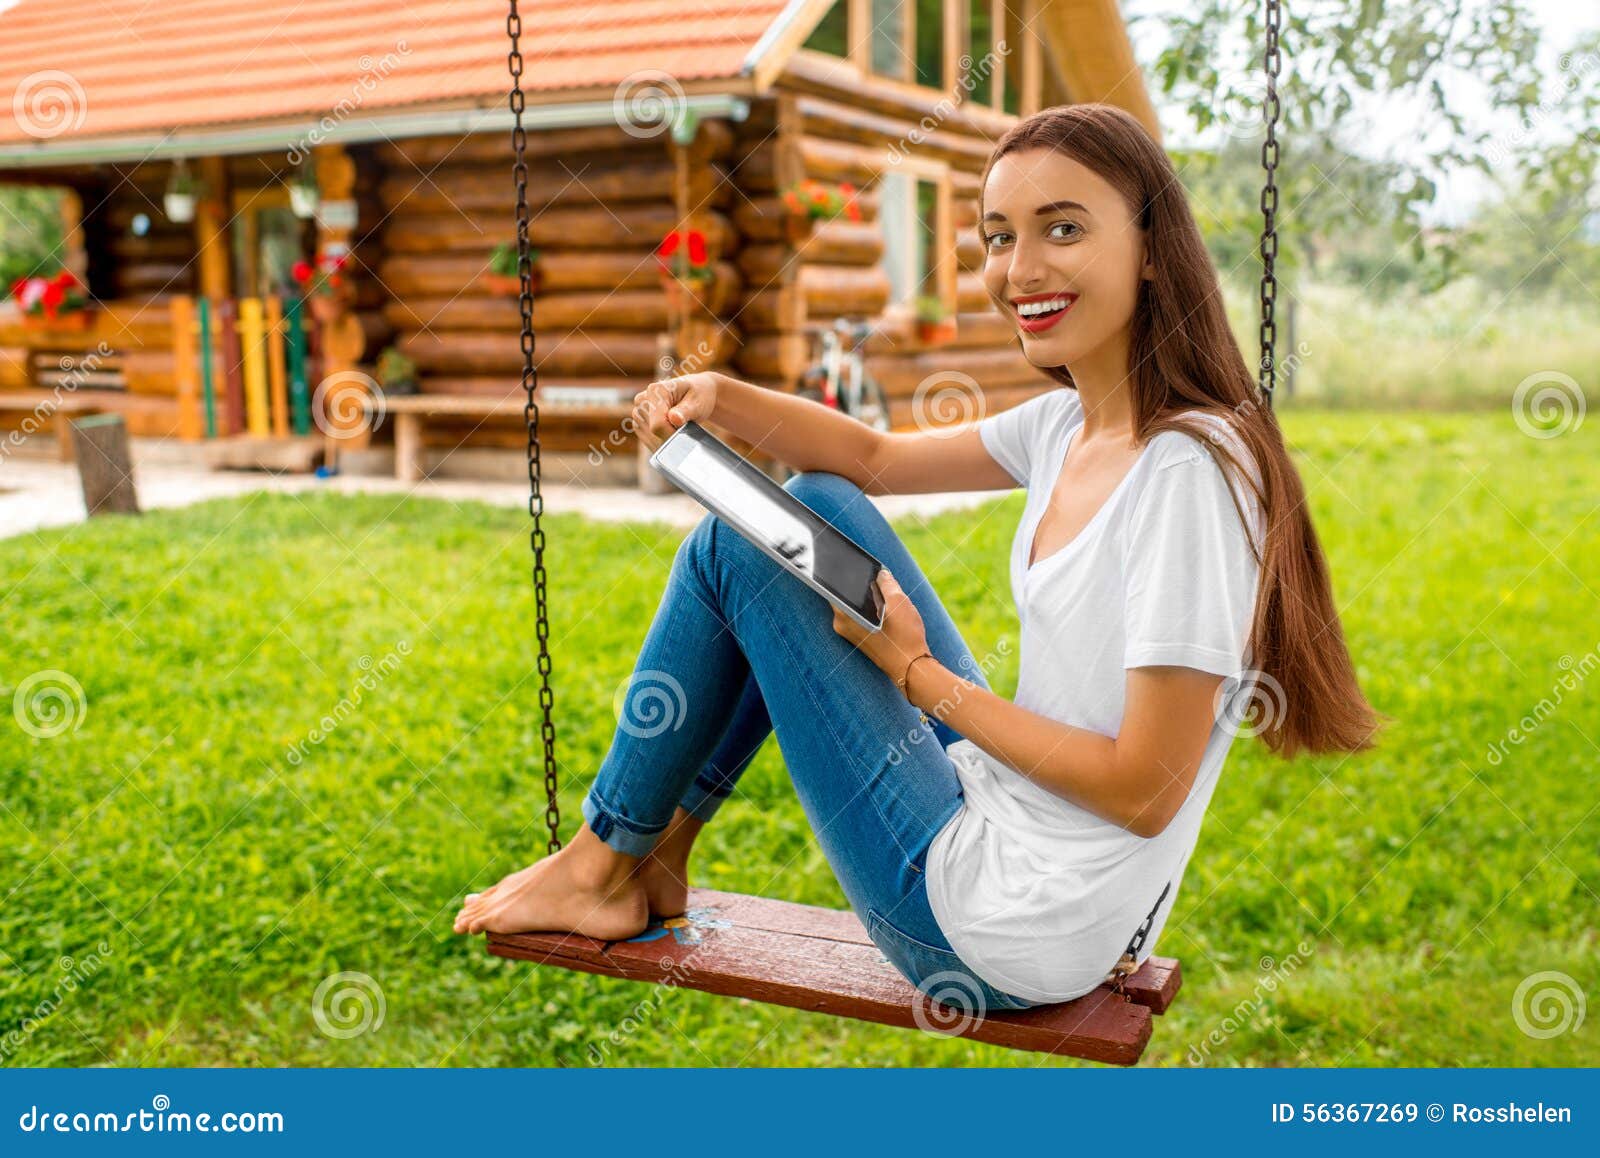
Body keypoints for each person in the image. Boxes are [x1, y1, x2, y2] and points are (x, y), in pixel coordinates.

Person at [453, 103, 1381, 1013]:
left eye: (1063, 229)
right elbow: (871, 462)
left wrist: (919, 675)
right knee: (808, 510)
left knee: (737, 551)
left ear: (1150, 248)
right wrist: (721, 397)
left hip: (1002, 930)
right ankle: (640, 860)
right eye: (996, 236)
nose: (1020, 268)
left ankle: (605, 858)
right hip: (1012, 818)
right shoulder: (1070, 424)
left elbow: (1146, 792)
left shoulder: (1184, 473)